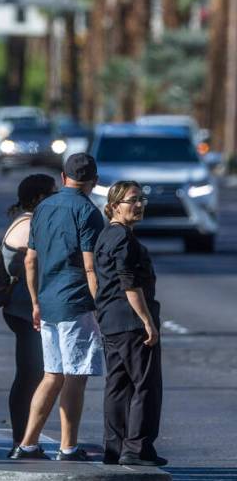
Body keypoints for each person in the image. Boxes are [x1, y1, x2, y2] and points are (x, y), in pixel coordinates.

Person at [11, 153, 105, 461]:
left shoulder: (43, 208)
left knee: (51, 375)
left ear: (64, 178)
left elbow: (30, 259)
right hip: (76, 302)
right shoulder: (89, 212)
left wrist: (36, 302)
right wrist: (101, 306)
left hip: (47, 302)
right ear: (93, 181)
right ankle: (68, 446)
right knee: (75, 376)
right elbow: (90, 267)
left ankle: (27, 443)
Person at [95, 181, 165, 466]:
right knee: (145, 385)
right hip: (130, 323)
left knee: (118, 386)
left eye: (141, 200)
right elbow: (129, 283)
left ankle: (115, 448)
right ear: (113, 206)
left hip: (111, 321)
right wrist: (147, 321)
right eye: (131, 201)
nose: (138, 205)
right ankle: (137, 449)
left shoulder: (105, 236)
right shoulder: (123, 238)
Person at [1, 174, 55, 454]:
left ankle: (24, 439)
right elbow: (37, 262)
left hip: (21, 308)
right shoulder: (30, 224)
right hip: (25, 310)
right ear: (38, 199)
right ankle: (21, 441)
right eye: (52, 193)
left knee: (32, 375)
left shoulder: (25, 220)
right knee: (29, 376)